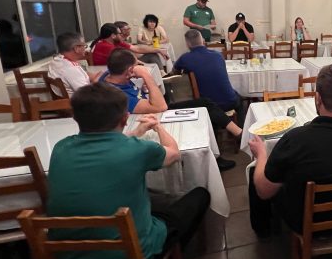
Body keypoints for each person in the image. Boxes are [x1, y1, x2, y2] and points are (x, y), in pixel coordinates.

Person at [47, 83, 210, 259]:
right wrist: (158, 126)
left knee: (146, 200)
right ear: (125, 118)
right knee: (199, 195)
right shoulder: (138, 150)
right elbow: (174, 153)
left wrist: (138, 131)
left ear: (75, 117)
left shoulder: (61, 148)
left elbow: (107, 146)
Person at [247, 64, 332, 236]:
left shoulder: (297, 139)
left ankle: (263, 232)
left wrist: (261, 154)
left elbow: (263, 192)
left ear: (318, 98)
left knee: (258, 171)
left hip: (306, 222)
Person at [99, 49, 241, 169]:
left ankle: (228, 141)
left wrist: (143, 89)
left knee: (205, 106)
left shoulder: (110, 76)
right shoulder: (118, 95)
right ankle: (232, 139)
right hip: (155, 115)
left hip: (151, 106)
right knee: (205, 107)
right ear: (130, 71)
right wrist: (146, 75)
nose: (140, 66)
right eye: (137, 65)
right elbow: (161, 107)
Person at [173, 30, 242, 116]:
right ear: (203, 41)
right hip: (230, 102)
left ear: (187, 44)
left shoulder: (185, 58)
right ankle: (241, 123)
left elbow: (174, 72)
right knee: (238, 97)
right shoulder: (218, 55)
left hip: (209, 106)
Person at [48, 32, 102, 96]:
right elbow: (87, 94)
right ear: (77, 48)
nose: (86, 49)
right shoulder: (70, 69)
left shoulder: (57, 60)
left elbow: (83, 75)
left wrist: (99, 75)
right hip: (80, 100)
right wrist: (97, 80)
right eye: (84, 46)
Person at [90, 23, 166, 67]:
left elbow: (137, 49)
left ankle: (162, 74)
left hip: (120, 66)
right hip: (110, 70)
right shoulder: (104, 46)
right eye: (119, 33)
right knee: (146, 66)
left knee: (152, 54)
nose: (121, 35)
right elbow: (127, 59)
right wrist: (147, 66)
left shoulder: (116, 41)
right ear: (113, 35)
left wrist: (158, 50)